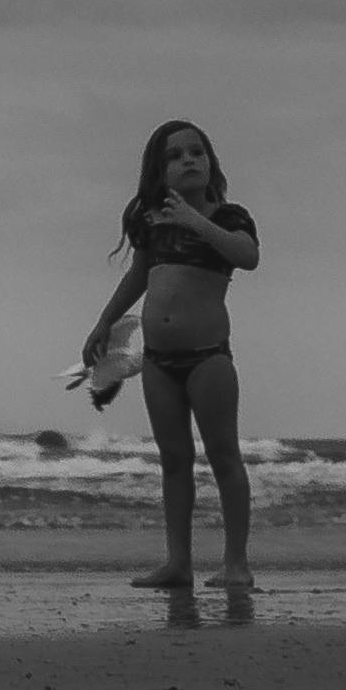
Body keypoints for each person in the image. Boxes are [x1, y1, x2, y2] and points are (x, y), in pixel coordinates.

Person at [81, 114, 258, 594]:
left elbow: (247, 255)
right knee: (173, 460)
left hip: (208, 358)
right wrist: (104, 322)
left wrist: (195, 220)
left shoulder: (227, 217)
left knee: (224, 457)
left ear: (211, 162)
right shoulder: (151, 220)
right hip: (159, 361)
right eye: (176, 156)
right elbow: (139, 273)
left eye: (197, 152)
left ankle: (236, 563)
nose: (188, 161)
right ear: (160, 172)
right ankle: (178, 562)